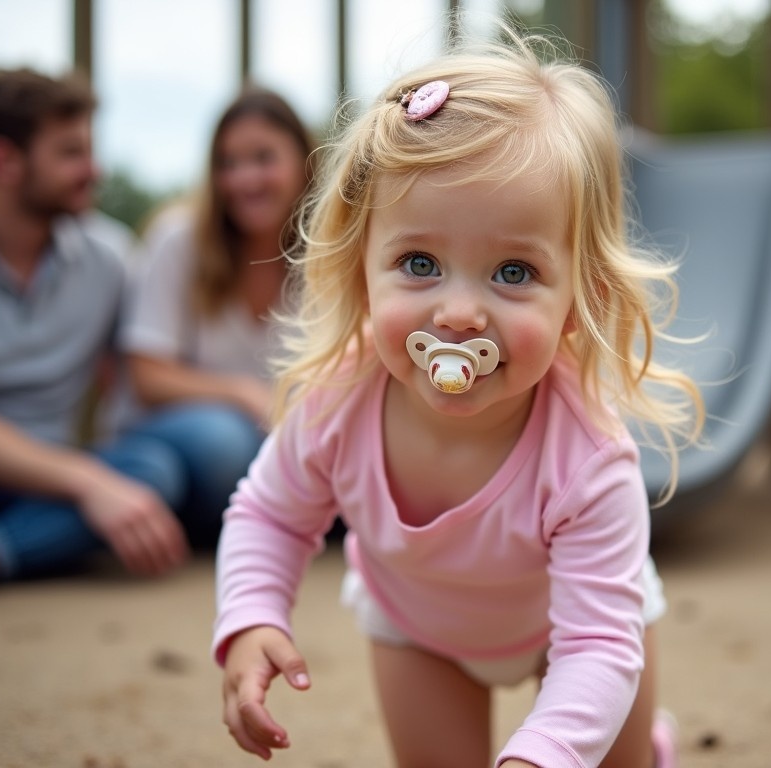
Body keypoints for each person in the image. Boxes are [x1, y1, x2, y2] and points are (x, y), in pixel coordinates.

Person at [213, 25, 704, 768]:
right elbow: (269, 514)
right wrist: (250, 618)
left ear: (580, 296)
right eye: (419, 262)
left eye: (512, 272)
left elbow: (601, 645)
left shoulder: (590, 458)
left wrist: (540, 754)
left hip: (577, 634)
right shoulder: (337, 405)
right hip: (418, 630)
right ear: (360, 270)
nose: (459, 315)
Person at [0, 67, 189, 586]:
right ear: (4, 161)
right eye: (70, 153)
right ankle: (28, 540)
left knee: (153, 472)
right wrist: (89, 483)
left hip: (56, 472)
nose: (93, 169)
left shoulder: (109, 258)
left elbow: (136, 380)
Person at [116, 87, 315, 549]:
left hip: (279, 435)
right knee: (224, 443)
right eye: (229, 163)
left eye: (263, 158)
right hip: (178, 435)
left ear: (304, 163)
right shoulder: (178, 240)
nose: (244, 179)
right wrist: (244, 394)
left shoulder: (327, 254)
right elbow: (147, 377)